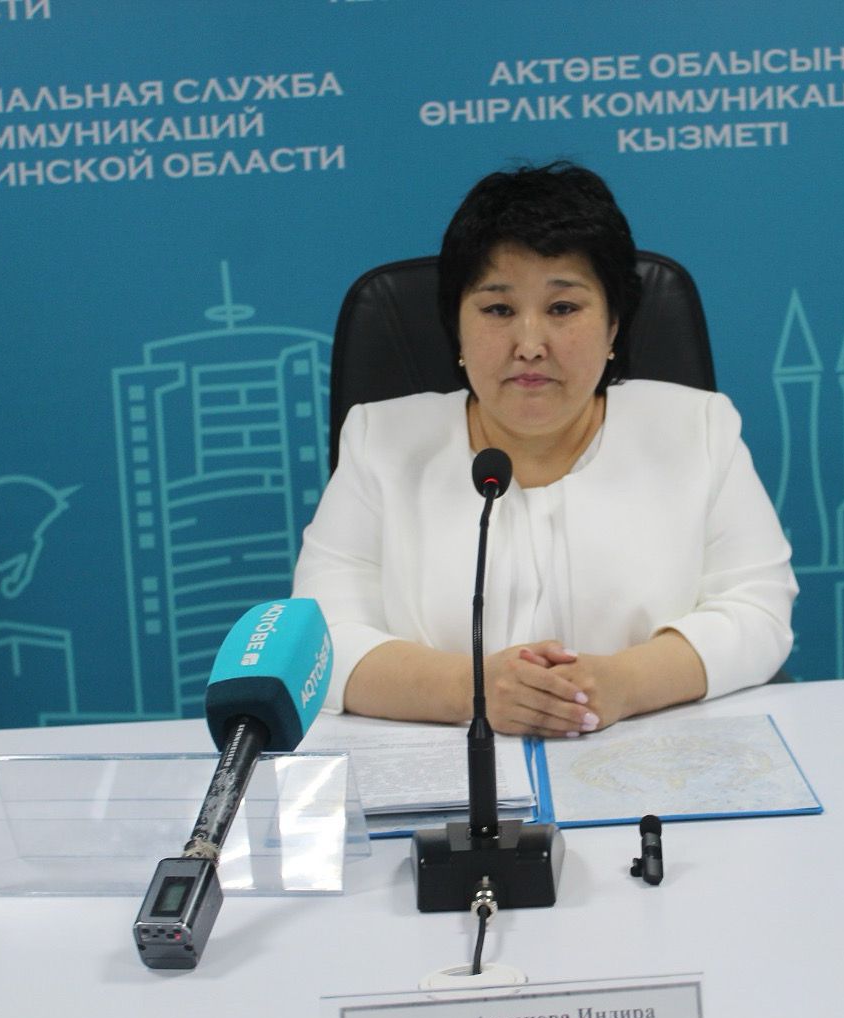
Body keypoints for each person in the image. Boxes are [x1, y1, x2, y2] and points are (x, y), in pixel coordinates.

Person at [292, 162, 796, 737]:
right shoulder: (380, 442)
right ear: (456, 327)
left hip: (650, 756)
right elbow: (319, 642)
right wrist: (474, 690)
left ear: (613, 326)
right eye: (498, 310)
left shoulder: (698, 429)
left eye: (562, 309)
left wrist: (623, 683)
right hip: (450, 765)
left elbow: (759, 611)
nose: (530, 344)